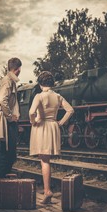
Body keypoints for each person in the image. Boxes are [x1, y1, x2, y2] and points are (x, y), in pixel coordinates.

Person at [29, 71, 74, 204]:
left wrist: (33, 121)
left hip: (42, 126)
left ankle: (47, 191)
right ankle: (47, 190)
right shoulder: (58, 96)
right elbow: (70, 110)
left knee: (44, 160)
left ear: (40, 83)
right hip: (53, 126)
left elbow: (31, 112)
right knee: (46, 159)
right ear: (51, 83)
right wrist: (60, 122)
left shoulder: (39, 96)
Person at [0, 57, 22, 178]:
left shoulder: (9, 80)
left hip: (7, 120)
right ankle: (0, 177)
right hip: (8, 121)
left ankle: (3, 175)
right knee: (6, 150)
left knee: (9, 150)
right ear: (17, 69)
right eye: (20, 69)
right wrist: (9, 116)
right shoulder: (8, 81)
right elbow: (0, 100)